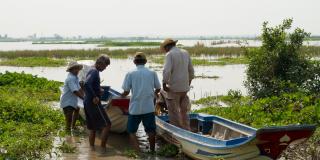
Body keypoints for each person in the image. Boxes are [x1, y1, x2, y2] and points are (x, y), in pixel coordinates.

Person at [121, 52, 161, 152]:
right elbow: (158, 88)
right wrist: (154, 94)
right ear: (145, 61)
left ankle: (138, 153)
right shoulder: (152, 72)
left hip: (135, 108)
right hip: (148, 107)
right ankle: (152, 151)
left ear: (134, 62)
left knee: (131, 131)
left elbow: (126, 91)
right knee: (151, 130)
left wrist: (120, 96)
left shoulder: (130, 73)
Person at [161, 38, 195, 130]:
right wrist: (188, 83)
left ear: (167, 47)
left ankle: (177, 133)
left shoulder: (170, 54)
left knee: (174, 113)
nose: (165, 50)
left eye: (165, 48)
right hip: (184, 88)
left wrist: (164, 84)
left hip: (174, 89)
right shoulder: (185, 52)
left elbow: (166, 71)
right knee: (184, 112)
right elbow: (191, 70)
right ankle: (187, 129)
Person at [83, 55, 111, 153]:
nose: (105, 68)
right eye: (105, 65)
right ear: (100, 63)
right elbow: (86, 83)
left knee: (92, 128)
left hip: (87, 101)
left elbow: (88, 84)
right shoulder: (94, 71)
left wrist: (98, 89)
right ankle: (103, 148)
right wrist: (95, 96)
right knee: (107, 125)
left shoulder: (92, 70)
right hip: (93, 102)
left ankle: (92, 150)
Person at [60, 61, 84, 131]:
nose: (77, 71)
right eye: (75, 69)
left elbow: (79, 89)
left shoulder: (75, 77)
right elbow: (75, 91)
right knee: (68, 119)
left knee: (77, 109)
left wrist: (85, 95)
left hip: (72, 101)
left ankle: (73, 126)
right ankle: (68, 132)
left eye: (77, 69)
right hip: (67, 102)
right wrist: (83, 98)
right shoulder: (70, 79)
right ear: (71, 70)